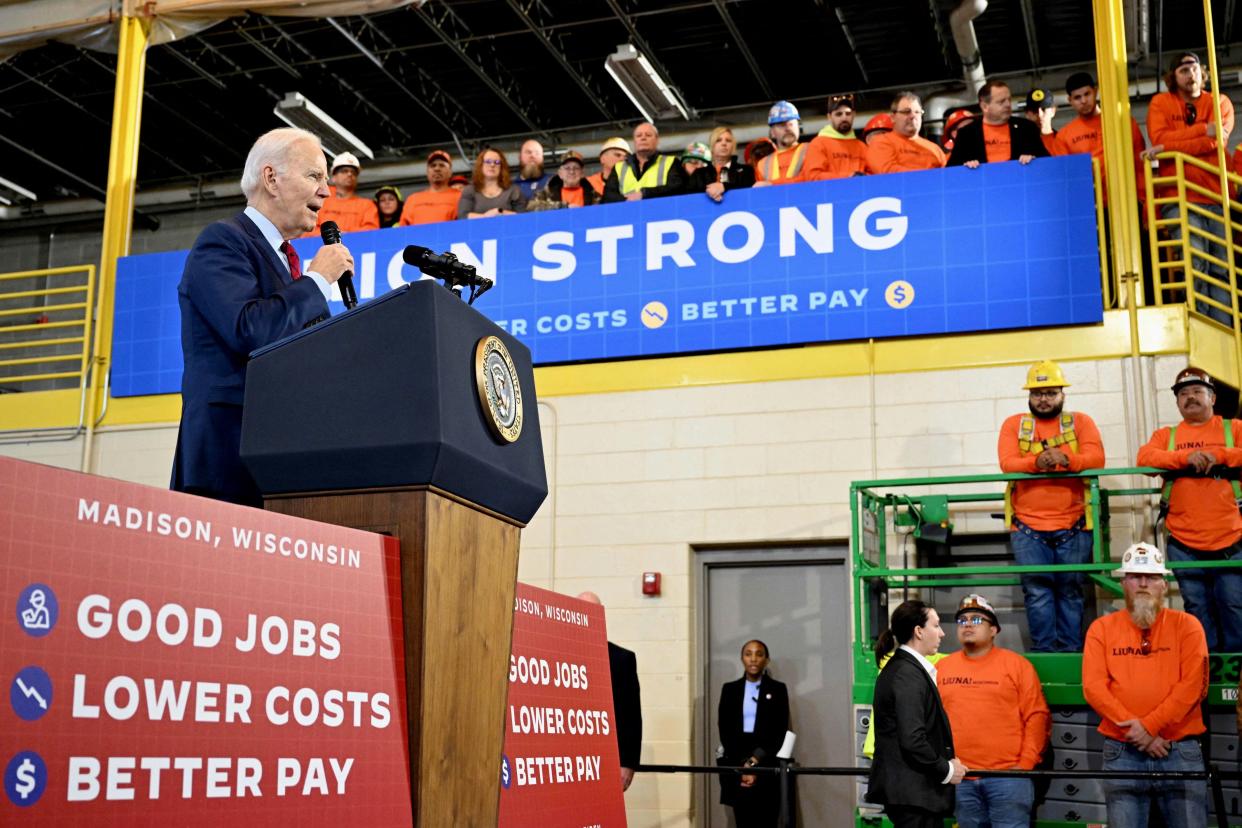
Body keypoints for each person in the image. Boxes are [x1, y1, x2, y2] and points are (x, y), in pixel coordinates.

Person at [171, 127, 352, 506]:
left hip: (280, 462)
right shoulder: (222, 241)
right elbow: (251, 330)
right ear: (272, 178)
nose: (326, 191)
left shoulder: (289, 265)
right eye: (314, 176)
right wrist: (319, 280)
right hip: (227, 463)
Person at [1083, 542, 1209, 828]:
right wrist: (1140, 733)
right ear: (1123, 583)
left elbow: (1193, 687)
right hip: (1122, 752)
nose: (1143, 584)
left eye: (1152, 577)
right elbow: (1094, 687)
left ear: (1164, 585)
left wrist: (1149, 728)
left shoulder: (1187, 626)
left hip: (1179, 751)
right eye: (1135, 577)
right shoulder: (1101, 630)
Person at [998, 360, 1105, 652]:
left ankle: (1070, 654)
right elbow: (1007, 464)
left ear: (1062, 394)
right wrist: (1036, 462)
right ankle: (1046, 656)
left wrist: (1069, 460)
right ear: (1029, 396)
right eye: (1037, 393)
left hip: (1074, 525)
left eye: (1050, 393)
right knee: (1037, 592)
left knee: (1070, 592)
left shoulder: (1080, 422)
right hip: (1027, 527)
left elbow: (1097, 458)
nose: (1043, 399)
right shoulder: (1014, 424)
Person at [1137, 367, 1242, 651]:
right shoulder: (1166, 436)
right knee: (1197, 608)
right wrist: (1186, 458)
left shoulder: (1233, 429)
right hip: (1184, 541)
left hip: (1231, 540)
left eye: (1197, 391)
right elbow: (1145, 459)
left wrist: (1217, 455)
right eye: (1184, 393)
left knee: (1233, 605)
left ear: (1212, 397)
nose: (1190, 397)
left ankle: (1236, 671)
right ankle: (1206, 668)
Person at [937, 594, 1050, 828]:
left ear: (994, 630)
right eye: (962, 620)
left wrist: (1025, 765)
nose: (968, 624)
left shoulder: (1017, 666)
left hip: (1008, 778)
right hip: (960, 780)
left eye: (977, 620)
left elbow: (1037, 716)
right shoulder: (941, 669)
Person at [1146, 52, 1236, 325]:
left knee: (1221, 269)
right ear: (1173, 77)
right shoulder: (1160, 102)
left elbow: (1216, 142)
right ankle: (1202, 328)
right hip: (1178, 196)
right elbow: (1158, 138)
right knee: (1195, 265)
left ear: (1202, 72)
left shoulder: (1220, 101)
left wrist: (1169, 146)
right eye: (1183, 70)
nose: (1190, 73)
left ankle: (1224, 332)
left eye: (1194, 68)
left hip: (1216, 195)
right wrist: (1202, 131)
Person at [867, 600, 967, 828]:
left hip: (913, 794)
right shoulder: (907, 674)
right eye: (936, 625)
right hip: (914, 795)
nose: (942, 633)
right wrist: (947, 769)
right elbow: (912, 738)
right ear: (919, 631)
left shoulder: (905, 669)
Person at [717, 639, 790, 828]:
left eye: (759, 654)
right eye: (748, 654)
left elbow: (779, 730)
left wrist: (754, 762)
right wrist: (744, 767)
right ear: (742, 658)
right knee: (742, 821)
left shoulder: (778, 689)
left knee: (767, 820)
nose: (753, 659)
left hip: (766, 763)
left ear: (766, 659)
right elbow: (725, 729)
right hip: (737, 762)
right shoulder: (729, 689)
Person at [576, 592, 642, 792]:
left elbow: (631, 714)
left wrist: (628, 763)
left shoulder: (621, 659)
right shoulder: (553, 654)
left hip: (605, 758)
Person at [1052, 72, 1147, 207]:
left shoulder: (1122, 122)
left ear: (1095, 92)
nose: (1083, 101)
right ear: (1070, 101)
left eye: (1087, 94)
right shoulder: (1064, 136)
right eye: (1077, 97)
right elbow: (1066, 178)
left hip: (1128, 202)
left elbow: (1139, 163)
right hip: (1091, 208)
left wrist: (1144, 199)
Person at [948, 80, 1050, 168]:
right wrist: (965, 167)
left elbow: (1048, 162)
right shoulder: (966, 134)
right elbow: (951, 170)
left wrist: (1034, 161)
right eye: (1001, 102)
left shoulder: (1027, 128)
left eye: (1009, 100)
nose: (1008, 105)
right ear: (985, 106)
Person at [602, 121, 687, 202]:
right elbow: (608, 197)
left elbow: (678, 188)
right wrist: (627, 200)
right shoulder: (619, 167)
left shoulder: (671, 162)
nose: (643, 138)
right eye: (639, 136)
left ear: (657, 140)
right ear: (634, 141)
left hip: (661, 215)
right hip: (627, 214)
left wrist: (645, 193)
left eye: (648, 135)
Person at [866, 92, 946, 174]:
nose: (913, 116)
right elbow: (888, 172)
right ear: (893, 117)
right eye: (906, 112)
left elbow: (947, 176)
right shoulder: (881, 142)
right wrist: (927, 176)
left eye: (917, 112)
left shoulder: (935, 149)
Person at [308, 151, 379, 235]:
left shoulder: (367, 205)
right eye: (344, 171)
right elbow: (307, 229)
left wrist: (342, 235)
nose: (349, 174)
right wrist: (334, 236)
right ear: (334, 177)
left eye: (353, 172)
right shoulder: (320, 200)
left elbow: (371, 232)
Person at [803, 93, 868, 180]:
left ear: (854, 115)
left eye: (848, 113)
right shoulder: (818, 144)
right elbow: (813, 176)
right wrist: (849, 177)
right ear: (829, 117)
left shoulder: (862, 147)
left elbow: (874, 174)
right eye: (839, 114)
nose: (844, 118)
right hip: (830, 193)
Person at [687, 126, 755, 202]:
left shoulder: (746, 170)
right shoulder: (699, 174)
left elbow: (751, 193)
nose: (724, 143)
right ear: (712, 146)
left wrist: (724, 187)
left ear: (733, 146)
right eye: (718, 140)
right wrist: (710, 192)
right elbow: (687, 198)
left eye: (728, 140)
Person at [458, 148, 526, 218]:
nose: (492, 165)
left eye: (497, 162)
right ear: (481, 165)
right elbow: (463, 216)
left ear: (502, 167)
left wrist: (500, 212)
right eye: (488, 161)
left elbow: (523, 217)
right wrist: (485, 216)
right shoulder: (470, 190)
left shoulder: (513, 190)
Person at [399, 150, 460, 226]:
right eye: (433, 165)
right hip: (417, 238)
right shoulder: (413, 199)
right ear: (427, 172)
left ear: (450, 172)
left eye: (442, 165)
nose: (437, 169)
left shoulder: (460, 197)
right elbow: (403, 230)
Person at [755, 100, 807, 185]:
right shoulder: (762, 165)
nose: (787, 128)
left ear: (798, 126)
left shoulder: (812, 150)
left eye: (791, 124)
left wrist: (772, 184)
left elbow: (813, 178)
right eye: (781, 125)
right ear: (772, 132)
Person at [1023, 87, 1061, 155]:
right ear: (1026, 114)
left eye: (1044, 110)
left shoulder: (1064, 140)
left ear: (1053, 111)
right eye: (1035, 111)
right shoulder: (1019, 143)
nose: (1040, 115)